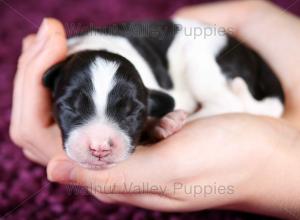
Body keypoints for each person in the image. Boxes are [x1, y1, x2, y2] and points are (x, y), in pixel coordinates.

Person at [9, 0, 300, 218]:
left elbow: (174, 102)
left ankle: (229, 103)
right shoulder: (60, 68)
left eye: (127, 110)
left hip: (206, 48)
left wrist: (270, 164)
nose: (98, 145)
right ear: (53, 87)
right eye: (73, 107)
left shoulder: (146, 82)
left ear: (148, 98)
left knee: (199, 62)